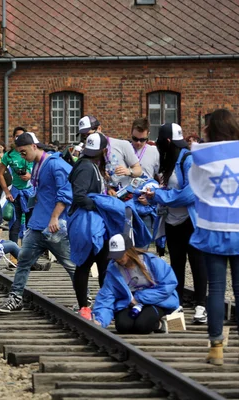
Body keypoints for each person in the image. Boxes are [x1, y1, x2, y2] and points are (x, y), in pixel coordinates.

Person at [0, 132, 75, 313]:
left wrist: (55, 216)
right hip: (38, 225)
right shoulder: (39, 164)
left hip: (55, 226)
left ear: (34, 146)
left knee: (70, 264)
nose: (22, 157)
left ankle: (84, 299)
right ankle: (15, 298)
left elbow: (66, 193)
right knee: (23, 260)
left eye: (24, 152)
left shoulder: (55, 165)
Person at [187, 109, 239, 365]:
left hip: (213, 230)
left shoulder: (202, 157)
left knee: (216, 289)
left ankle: (216, 347)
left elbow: (196, 188)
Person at [144, 123, 207, 324]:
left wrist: (160, 195)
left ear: (168, 142)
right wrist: (154, 195)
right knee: (177, 263)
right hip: (172, 221)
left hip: (190, 221)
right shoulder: (169, 160)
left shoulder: (188, 161)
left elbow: (190, 194)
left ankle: (201, 306)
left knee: (197, 263)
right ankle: (177, 303)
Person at [92, 234, 179, 334]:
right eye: (114, 256)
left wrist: (138, 298)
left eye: (120, 255)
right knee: (123, 326)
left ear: (129, 251)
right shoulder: (113, 270)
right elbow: (106, 297)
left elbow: (168, 285)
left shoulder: (152, 262)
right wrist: (100, 320)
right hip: (128, 303)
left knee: (142, 326)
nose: (117, 259)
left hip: (156, 301)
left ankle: (159, 325)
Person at [67, 132, 110, 320]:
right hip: (89, 222)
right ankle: (85, 306)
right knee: (87, 264)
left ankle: (101, 305)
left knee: (102, 264)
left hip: (93, 221)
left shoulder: (89, 165)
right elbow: (79, 195)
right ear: (103, 151)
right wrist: (100, 204)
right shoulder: (86, 167)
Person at [78, 115, 142, 194]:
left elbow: (139, 170)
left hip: (125, 195)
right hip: (102, 197)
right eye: (84, 136)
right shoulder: (85, 153)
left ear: (99, 128)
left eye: (89, 134)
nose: (87, 139)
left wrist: (129, 171)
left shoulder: (122, 145)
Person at [0, 127, 34, 242]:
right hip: (16, 193)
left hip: (31, 193)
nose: (20, 139)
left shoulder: (32, 152)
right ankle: (14, 255)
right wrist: (7, 192)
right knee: (14, 225)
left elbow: (42, 170)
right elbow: (0, 174)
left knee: (30, 225)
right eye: (17, 136)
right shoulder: (9, 155)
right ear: (13, 138)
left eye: (22, 136)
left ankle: (27, 254)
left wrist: (31, 176)